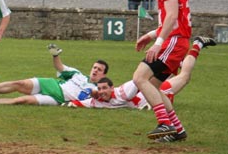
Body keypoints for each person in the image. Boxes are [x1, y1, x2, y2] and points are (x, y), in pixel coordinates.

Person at [67, 36, 216, 119]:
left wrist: (144, 105)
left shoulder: (122, 92)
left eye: (104, 88)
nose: (102, 92)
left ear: (112, 88)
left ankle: (197, 44)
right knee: (178, 73)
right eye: (99, 90)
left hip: (156, 91)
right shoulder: (98, 102)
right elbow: (79, 103)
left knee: (184, 77)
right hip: (153, 93)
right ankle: (177, 61)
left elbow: (139, 82)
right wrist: (72, 103)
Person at [133, 0, 191, 141]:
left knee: (140, 77)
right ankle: (178, 130)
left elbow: (172, 17)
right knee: (153, 85)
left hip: (173, 42)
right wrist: (150, 35)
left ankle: (164, 123)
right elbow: (173, 20)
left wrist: (157, 43)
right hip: (178, 41)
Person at [0, 44, 109, 105]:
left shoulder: (100, 89)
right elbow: (59, 67)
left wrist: (95, 92)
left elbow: (105, 97)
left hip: (58, 100)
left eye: (99, 69)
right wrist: (55, 55)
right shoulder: (78, 74)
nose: (95, 70)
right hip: (52, 84)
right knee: (19, 84)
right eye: (94, 67)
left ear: (104, 74)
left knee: (21, 101)